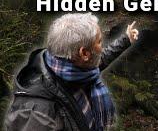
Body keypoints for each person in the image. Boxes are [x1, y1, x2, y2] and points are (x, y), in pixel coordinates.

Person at [5, 13, 139, 131]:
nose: (102, 46)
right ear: (84, 53)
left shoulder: (68, 66)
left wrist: (126, 39)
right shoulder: (37, 114)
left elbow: (100, 59)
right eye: (99, 42)